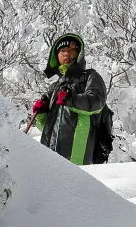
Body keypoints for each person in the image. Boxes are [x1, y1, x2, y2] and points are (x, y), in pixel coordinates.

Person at [31, 33, 107, 165]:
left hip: (78, 150)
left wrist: (72, 100)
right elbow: (46, 127)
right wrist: (41, 114)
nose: (67, 54)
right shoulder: (54, 87)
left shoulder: (90, 77)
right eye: (62, 51)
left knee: (75, 181)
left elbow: (96, 102)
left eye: (72, 50)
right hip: (50, 153)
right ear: (57, 56)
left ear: (79, 54)